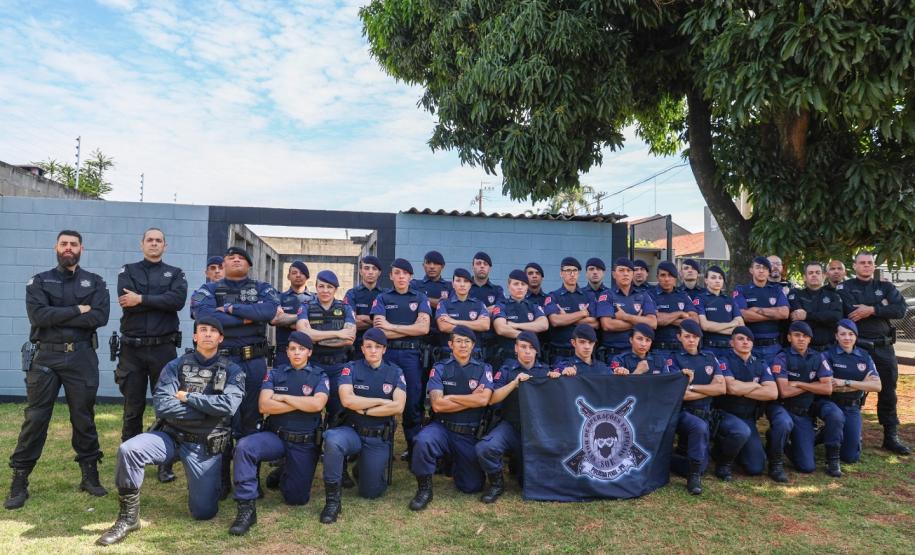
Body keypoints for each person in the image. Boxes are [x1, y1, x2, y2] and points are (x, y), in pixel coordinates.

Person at [95, 318, 244, 545]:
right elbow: (163, 406)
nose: (207, 334)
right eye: (202, 330)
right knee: (129, 450)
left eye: (213, 331)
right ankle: (128, 518)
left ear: (220, 338)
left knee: (204, 512)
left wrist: (188, 397)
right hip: (170, 436)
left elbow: (228, 407)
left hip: (204, 444)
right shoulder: (176, 366)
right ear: (194, 336)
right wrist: (208, 408)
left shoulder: (233, 370)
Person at [6, 230, 110, 510]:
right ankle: (19, 481)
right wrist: (78, 309)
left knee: (84, 418)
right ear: (56, 247)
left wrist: (59, 314)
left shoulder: (96, 282)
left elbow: (100, 317)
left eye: (73, 244)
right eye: (64, 243)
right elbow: (38, 316)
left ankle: (89, 477)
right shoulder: (40, 281)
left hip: (82, 357)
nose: (68, 248)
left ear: (81, 249)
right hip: (46, 359)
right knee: (36, 419)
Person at [190, 246, 280, 495]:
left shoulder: (263, 288)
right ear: (224, 263)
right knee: (220, 420)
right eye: (231, 257)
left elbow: (269, 311)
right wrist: (250, 317)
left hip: (254, 363)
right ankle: (221, 481)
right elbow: (204, 317)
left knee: (252, 421)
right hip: (222, 363)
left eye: (241, 257)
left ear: (249, 264)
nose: (236, 260)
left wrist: (230, 310)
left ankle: (250, 479)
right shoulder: (208, 289)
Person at [228, 331, 328, 536]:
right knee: (245, 447)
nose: (297, 353)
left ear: (309, 352)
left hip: (304, 442)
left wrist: (282, 398)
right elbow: (264, 405)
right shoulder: (274, 373)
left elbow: (317, 404)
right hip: (276, 437)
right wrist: (301, 403)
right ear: (287, 352)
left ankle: (285, 470)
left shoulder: (320, 375)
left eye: (301, 349)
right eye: (293, 349)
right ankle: (246, 508)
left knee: (296, 499)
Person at [115, 228, 188, 485]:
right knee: (132, 408)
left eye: (159, 241)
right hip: (132, 350)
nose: (154, 244)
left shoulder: (176, 273)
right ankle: (129, 462)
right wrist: (157, 300)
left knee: (167, 407)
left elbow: (177, 301)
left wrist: (142, 298)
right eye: (150, 240)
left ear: (165, 246)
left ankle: (165, 463)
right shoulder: (128, 271)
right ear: (142, 244)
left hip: (163, 349)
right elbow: (125, 299)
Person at [320, 328, 406, 523]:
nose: (373, 350)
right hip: (352, 431)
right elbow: (348, 400)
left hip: (378, 436)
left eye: (377, 347)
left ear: (384, 349)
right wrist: (383, 402)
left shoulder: (395, 372)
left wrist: (366, 409)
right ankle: (333, 499)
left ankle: (363, 468)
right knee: (333, 440)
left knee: (370, 493)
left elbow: (398, 406)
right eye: (368, 346)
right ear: (362, 348)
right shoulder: (350, 368)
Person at [409, 325, 493, 511]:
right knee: (423, 440)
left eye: (467, 342)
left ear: (473, 345)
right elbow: (437, 404)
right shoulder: (440, 368)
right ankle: (424, 490)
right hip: (443, 428)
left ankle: (453, 464)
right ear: (450, 344)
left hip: (469, 432)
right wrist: (472, 398)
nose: (463, 345)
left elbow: (484, 399)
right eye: (458, 341)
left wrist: (452, 397)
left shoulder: (483, 368)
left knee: (471, 487)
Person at [836, 252, 910, 455]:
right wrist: (884, 305)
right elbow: (850, 311)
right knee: (854, 393)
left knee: (888, 392)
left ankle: (890, 436)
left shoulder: (885, 287)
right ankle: (852, 434)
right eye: (862, 263)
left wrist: (872, 310)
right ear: (855, 265)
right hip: (857, 347)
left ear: (873, 265)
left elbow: (900, 310)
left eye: (869, 263)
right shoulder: (846, 288)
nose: (866, 266)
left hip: (883, 348)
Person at [475, 331, 550, 503]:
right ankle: (497, 484)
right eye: (523, 347)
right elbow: (492, 398)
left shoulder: (546, 372)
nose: (527, 351)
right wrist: (514, 383)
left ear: (537, 351)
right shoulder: (507, 370)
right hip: (511, 426)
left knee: (527, 483)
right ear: (516, 349)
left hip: (535, 432)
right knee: (485, 448)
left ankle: (518, 466)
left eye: (532, 348)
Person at [370, 258, 432, 457]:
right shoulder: (383, 298)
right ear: (391, 276)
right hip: (387, 355)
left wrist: (391, 327)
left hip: (412, 356)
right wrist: (405, 330)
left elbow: (423, 328)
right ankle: (380, 447)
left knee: (413, 401)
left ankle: (413, 447)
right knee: (382, 396)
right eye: (397, 273)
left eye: (405, 273)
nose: (401, 276)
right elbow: (379, 331)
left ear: (411, 276)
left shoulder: (420, 297)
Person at [664, 319, 727, 495]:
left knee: (703, 465)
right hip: (683, 413)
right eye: (687, 336)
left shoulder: (710, 357)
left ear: (700, 338)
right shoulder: (673, 360)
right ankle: (693, 478)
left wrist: (693, 387)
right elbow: (681, 394)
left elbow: (721, 388)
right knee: (698, 428)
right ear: (679, 338)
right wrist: (709, 390)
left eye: (695, 336)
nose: (691, 340)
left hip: (707, 412)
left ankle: (670, 460)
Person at [766, 321, 833, 481]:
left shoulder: (818, 357)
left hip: (803, 413)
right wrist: (814, 385)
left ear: (810, 339)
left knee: (806, 467)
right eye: (797, 335)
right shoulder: (781, 357)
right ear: (789, 338)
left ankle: (781, 442)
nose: (801, 339)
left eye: (805, 336)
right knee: (783, 423)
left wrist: (800, 383)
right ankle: (775, 464)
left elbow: (828, 388)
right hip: (781, 408)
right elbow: (785, 391)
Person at [713, 326, 777, 481]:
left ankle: (735, 450)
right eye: (740, 339)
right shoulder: (723, 361)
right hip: (725, 415)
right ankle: (723, 463)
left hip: (748, 418)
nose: (745, 342)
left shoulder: (760, 363)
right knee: (740, 432)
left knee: (756, 468)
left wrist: (742, 387)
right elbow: (731, 388)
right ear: (731, 342)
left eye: (749, 339)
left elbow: (772, 393)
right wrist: (757, 385)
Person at [819, 319, 882, 470]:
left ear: (856, 336)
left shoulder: (865, 356)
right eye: (843, 334)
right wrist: (861, 383)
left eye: (851, 334)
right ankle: (831, 434)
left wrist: (846, 382)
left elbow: (877, 386)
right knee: (836, 417)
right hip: (830, 403)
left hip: (852, 406)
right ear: (836, 336)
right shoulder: (827, 355)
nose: (847, 337)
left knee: (850, 457)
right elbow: (830, 386)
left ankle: (827, 432)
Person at [295, 270, 356, 423]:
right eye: (321, 286)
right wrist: (338, 334)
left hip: (338, 367)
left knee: (338, 413)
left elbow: (349, 339)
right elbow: (303, 335)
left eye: (329, 287)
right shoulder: (306, 307)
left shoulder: (345, 308)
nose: (325, 290)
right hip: (313, 366)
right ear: (316, 287)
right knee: (308, 411)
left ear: (335, 289)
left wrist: (316, 338)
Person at [596, 257, 657, 362]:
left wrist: (625, 317)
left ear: (632, 274)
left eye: (629, 271)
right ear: (614, 274)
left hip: (638, 355)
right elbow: (607, 325)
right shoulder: (606, 295)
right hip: (613, 354)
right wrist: (638, 321)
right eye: (621, 270)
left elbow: (652, 323)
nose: (625, 274)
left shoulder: (643, 296)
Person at [544, 257, 598, 365]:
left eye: (575, 271)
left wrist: (566, 318)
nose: (572, 274)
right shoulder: (553, 296)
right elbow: (555, 321)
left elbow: (595, 323)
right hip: (560, 356)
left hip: (584, 356)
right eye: (568, 270)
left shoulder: (589, 296)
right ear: (561, 273)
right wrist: (582, 314)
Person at [735, 256, 789, 364]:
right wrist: (773, 314)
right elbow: (743, 314)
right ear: (751, 270)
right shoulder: (741, 290)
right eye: (758, 267)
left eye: (764, 268)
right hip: (751, 346)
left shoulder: (777, 290)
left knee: (774, 380)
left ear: (768, 271)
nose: (761, 270)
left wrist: (756, 309)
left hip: (774, 347)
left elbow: (784, 313)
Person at [491, 269, 548, 368]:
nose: (520, 287)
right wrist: (529, 336)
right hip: (508, 360)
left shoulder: (533, 306)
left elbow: (543, 325)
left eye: (523, 284)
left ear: (527, 287)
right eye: (516, 284)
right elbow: (501, 329)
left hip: (531, 361)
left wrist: (515, 325)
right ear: (509, 286)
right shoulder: (501, 305)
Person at [435, 268, 490, 360]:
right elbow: (444, 326)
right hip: (449, 357)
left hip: (474, 356)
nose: (462, 284)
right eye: (458, 280)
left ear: (470, 284)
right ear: (452, 284)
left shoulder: (479, 304)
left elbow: (485, 325)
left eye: (466, 281)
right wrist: (474, 325)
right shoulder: (444, 304)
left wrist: (453, 321)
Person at [650, 261, 701, 359]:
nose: (666, 279)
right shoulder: (650, 295)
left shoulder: (683, 295)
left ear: (675, 277)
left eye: (670, 275)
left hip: (682, 350)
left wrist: (667, 319)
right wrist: (680, 313)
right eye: (663, 275)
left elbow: (694, 321)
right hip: (659, 350)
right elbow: (656, 320)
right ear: (657, 277)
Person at [788, 262, 843, 351]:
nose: (814, 275)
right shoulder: (797, 295)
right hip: (805, 350)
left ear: (823, 276)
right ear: (804, 277)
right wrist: (825, 318)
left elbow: (836, 317)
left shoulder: (833, 295)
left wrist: (807, 316)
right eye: (810, 273)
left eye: (817, 273)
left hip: (830, 348)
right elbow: (799, 322)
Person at [271, 260, 312, 368]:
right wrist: (303, 318)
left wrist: (287, 322)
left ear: (307, 276)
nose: (298, 275)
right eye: (294, 273)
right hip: (284, 354)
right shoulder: (279, 298)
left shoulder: (315, 299)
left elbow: (318, 324)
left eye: (302, 273)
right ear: (288, 276)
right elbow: (275, 319)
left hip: (308, 353)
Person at [699, 265, 744, 358]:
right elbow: (705, 326)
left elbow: (740, 326)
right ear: (706, 280)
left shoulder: (729, 299)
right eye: (713, 277)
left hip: (730, 349)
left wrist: (715, 328)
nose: (717, 280)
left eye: (720, 278)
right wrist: (731, 324)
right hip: (709, 349)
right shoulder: (700, 299)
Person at [344, 255, 384, 358]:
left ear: (379, 273)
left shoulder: (385, 295)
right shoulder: (352, 294)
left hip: (380, 346)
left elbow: (390, 321)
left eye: (374, 269)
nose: (370, 272)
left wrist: (363, 317)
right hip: (357, 346)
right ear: (361, 271)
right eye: (366, 268)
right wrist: (376, 322)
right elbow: (350, 322)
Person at [469, 251, 504, 358]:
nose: (482, 266)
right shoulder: (464, 287)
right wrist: (487, 310)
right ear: (473, 266)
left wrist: (472, 312)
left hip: (492, 346)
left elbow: (499, 310)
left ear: (490, 268)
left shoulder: (497, 290)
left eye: (485, 264)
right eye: (478, 263)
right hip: (469, 344)